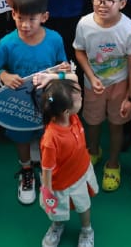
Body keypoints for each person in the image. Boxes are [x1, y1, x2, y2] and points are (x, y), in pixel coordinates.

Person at [0, 0, 70, 205]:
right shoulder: (6, 43)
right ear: (13, 15)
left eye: (31, 19)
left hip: (49, 102)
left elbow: (63, 67)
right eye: (19, 18)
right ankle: (26, 168)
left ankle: (49, 170)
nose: (25, 25)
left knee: (50, 136)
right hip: (19, 103)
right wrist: (5, 75)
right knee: (22, 136)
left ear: (44, 17)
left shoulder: (54, 39)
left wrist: (56, 74)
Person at [72, 0, 131, 193]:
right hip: (93, 84)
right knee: (92, 122)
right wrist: (91, 77)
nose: (102, 5)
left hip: (120, 85)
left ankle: (113, 162)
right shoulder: (84, 23)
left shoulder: (129, 29)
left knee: (116, 124)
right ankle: (93, 151)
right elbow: (79, 50)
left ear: (123, 3)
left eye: (109, 0)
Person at [37, 77, 98, 247]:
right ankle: (57, 225)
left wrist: (52, 77)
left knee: (83, 206)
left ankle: (87, 230)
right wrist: (47, 192)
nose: (81, 98)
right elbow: (47, 169)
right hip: (61, 183)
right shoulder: (51, 139)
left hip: (81, 174)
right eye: (78, 98)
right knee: (57, 210)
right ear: (65, 111)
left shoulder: (73, 117)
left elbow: (74, 80)